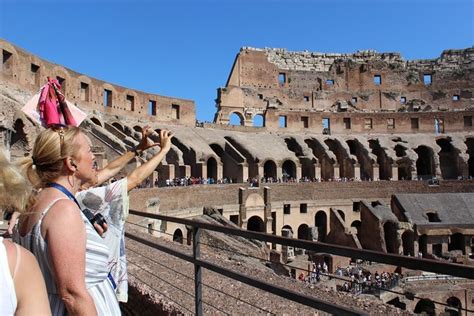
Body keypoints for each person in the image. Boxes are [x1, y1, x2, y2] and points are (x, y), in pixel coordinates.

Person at [14, 126, 121, 315]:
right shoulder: (63, 210)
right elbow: (73, 295)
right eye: (89, 150)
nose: (94, 156)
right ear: (71, 163)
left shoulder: (32, 204)